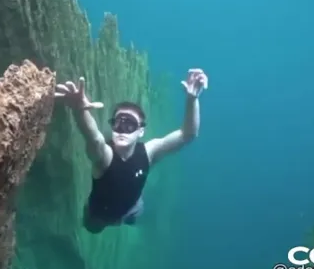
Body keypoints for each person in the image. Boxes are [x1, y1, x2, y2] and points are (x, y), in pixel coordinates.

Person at [54, 68, 208, 233]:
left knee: (136, 211)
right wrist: (80, 111)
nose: (122, 129)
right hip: (100, 216)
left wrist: (192, 99)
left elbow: (187, 134)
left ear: (141, 131)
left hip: (131, 208)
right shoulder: (105, 157)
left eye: (130, 125)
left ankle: (132, 214)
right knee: (91, 227)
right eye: (118, 123)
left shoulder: (149, 152)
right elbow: (95, 139)